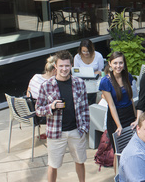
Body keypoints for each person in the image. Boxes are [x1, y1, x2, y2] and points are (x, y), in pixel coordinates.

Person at [36, 50, 89, 182]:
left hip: (76, 131)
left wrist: (84, 128)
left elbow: (85, 109)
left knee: (80, 161)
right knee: (53, 165)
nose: (64, 69)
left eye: (67, 66)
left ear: (71, 65)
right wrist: (51, 106)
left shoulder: (79, 83)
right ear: (55, 66)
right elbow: (38, 110)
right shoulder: (46, 86)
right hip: (56, 133)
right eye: (61, 66)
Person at [99, 52, 136, 153]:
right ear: (110, 64)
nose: (118, 66)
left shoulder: (128, 76)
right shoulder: (105, 81)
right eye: (115, 63)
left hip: (129, 114)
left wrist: (136, 117)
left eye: (120, 63)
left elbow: (131, 99)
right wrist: (119, 125)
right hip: (116, 116)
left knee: (133, 148)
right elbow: (111, 105)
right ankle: (118, 169)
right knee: (119, 151)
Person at [74, 39, 105, 105]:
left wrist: (97, 73)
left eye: (88, 51)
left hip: (95, 81)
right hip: (82, 81)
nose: (86, 53)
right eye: (83, 51)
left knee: (97, 94)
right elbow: (76, 72)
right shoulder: (77, 57)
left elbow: (102, 71)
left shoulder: (98, 56)